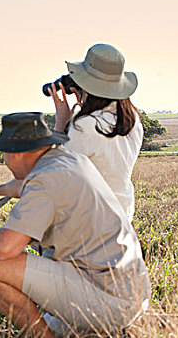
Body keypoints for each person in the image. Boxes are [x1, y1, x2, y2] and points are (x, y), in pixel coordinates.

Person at [0, 112, 150, 337]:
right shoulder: (67, 160)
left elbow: (4, 247)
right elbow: (22, 186)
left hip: (109, 301)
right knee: (58, 327)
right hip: (130, 293)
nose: (5, 161)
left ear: (14, 153)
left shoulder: (44, 181)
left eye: (5, 154)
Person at [49, 43, 143, 223]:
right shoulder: (133, 121)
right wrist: (85, 106)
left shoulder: (86, 126)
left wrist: (61, 123)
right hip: (122, 217)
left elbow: (55, 173)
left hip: (90, 225)